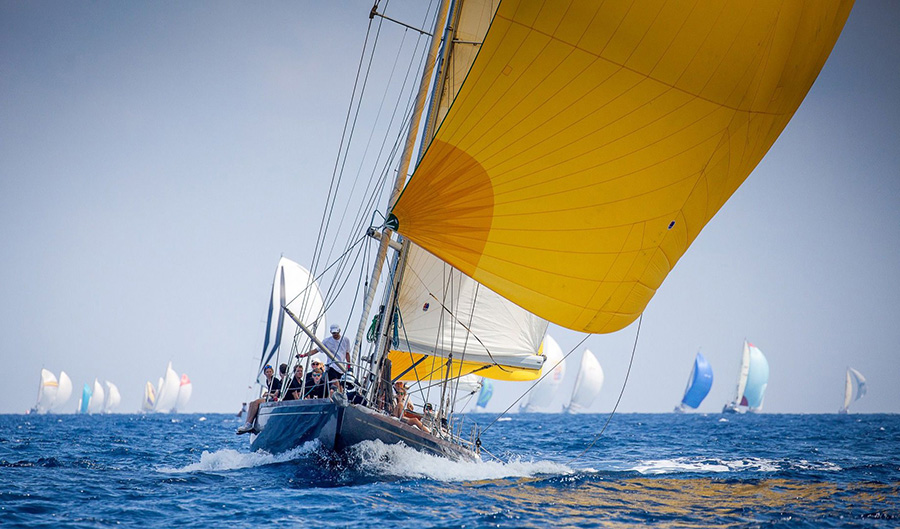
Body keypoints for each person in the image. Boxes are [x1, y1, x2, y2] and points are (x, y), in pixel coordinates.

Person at [237, 365, 281, 434]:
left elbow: (276, 394)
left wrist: (267, 394)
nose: (269, 373)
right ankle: (247, 423)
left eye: (270, 372)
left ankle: (249, 424)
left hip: (273, 399)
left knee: (256, 403)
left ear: (272, 372)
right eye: (267, 372)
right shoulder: (267, 380)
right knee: (251, 403)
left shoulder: (275, 380)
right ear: (265, 373)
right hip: (269, 397)